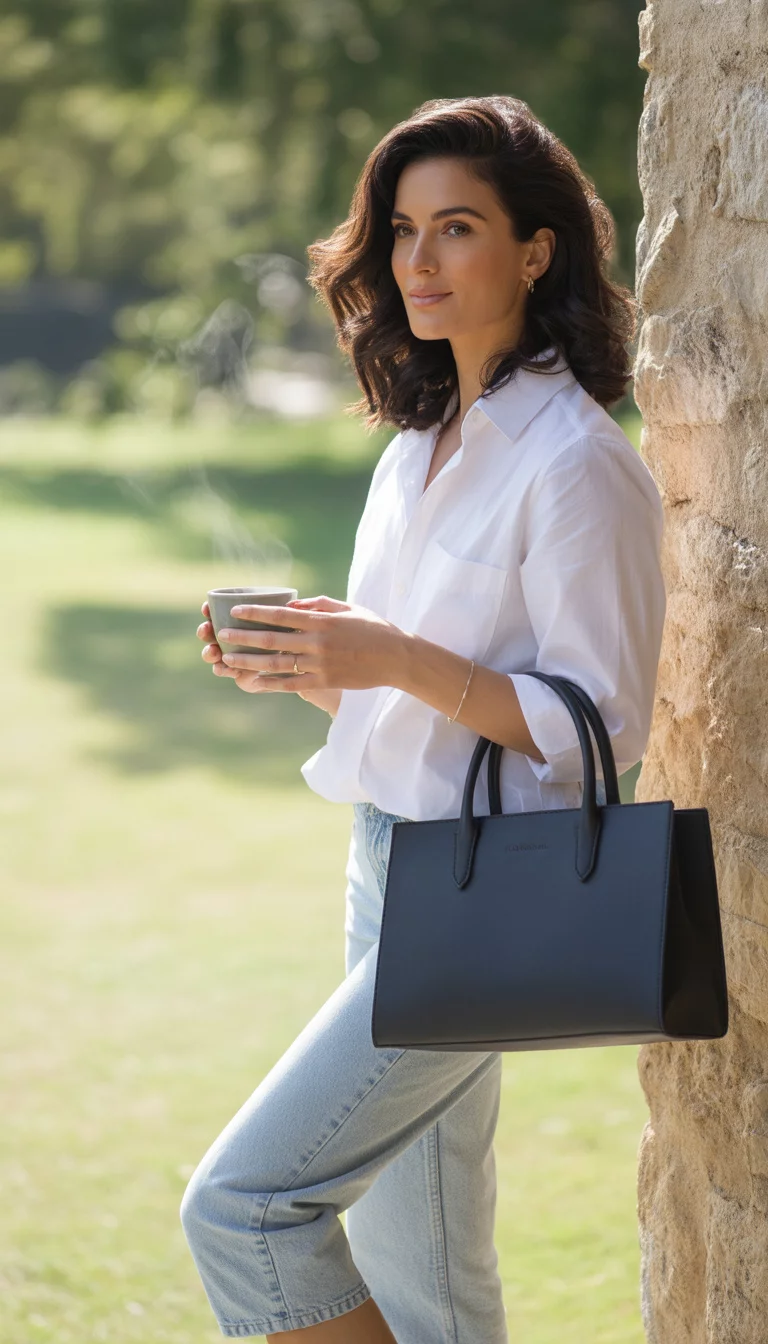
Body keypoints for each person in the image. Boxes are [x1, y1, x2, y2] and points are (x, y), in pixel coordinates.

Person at [180, 94, 666, 1342]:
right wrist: (311, 666)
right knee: (429, 1290)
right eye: (403, 231)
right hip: (387, 866)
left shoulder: (577, 459)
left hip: (482, 895)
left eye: (458, 228)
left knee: (244, 1210)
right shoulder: (422, 446)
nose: (418, 261)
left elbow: (596, 720)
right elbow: (421, 700)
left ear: (536, 248)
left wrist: (393, 651)